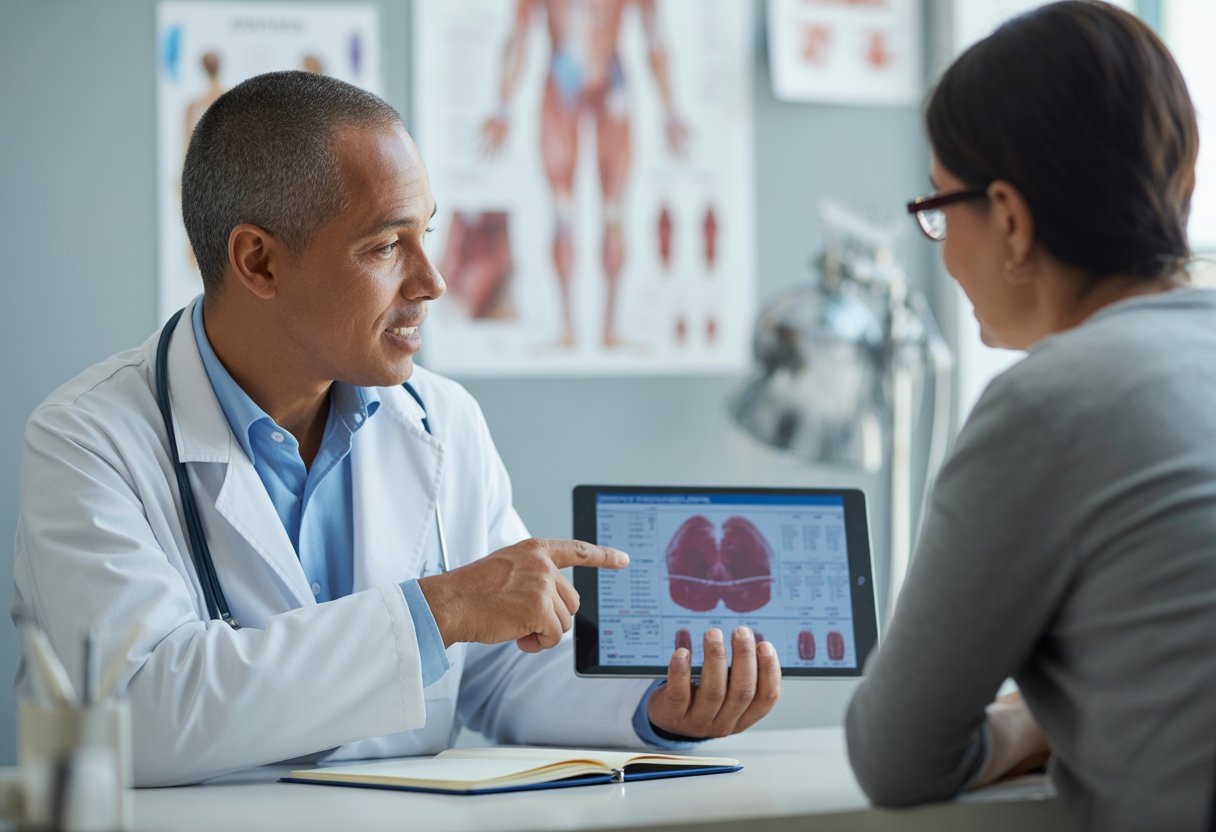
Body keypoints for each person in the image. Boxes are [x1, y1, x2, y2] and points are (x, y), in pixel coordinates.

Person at [12, 70, 780, 787]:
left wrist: (654, 705)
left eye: (426, 233)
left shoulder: (441, 420)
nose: (432, 281)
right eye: (385, 246)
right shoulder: (89, 441)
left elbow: (499, 667)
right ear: (259, 263)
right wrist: (437, 609)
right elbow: (133, 714)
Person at [844, 3, 1216, 829]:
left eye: (939, 205)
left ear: (1009, 218)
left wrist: (1030, 721)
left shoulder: (1054, 400)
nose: (941, 243)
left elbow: (896, 756)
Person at [479, 0, 689, 350]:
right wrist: (502, 106)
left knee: (614, 212)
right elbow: (518, 38)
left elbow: (655, 38)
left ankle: (609, 330)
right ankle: (569, 330)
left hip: (611, 85)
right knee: (563, 213)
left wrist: (670, 109)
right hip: (562, 87)